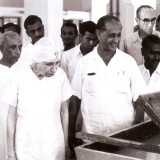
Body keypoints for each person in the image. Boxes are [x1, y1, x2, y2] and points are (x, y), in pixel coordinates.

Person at [68, 15, 146, 152]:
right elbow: (75, 100)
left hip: (124, 139)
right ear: (99, 33)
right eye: (111, 35)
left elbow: (140, 98)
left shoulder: (128, 62)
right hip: (92, 139)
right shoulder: (84, 63)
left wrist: (136, 128)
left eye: (118, 35)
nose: (116, 40)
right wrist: (70, 132)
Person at [2, 37, 72, 160]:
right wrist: (10, 151)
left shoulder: (60, 76)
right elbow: (11, 117)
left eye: (57, 62)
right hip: (26, 145)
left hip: (54, 143)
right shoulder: (18, 75)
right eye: (49, 64)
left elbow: (64, 112)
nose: (54, 68)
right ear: (36, 61)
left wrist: (66, 144)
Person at [0, 31, 22, 160]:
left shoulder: (25, 70)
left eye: (20, 47)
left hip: (20, 121)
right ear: (2, 48)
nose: (18, 51)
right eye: (13, 47)